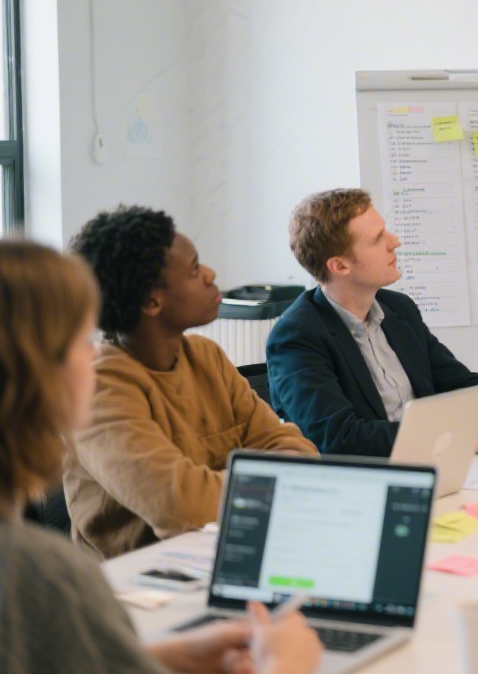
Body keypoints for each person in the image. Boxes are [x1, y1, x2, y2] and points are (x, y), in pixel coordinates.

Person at [0, 240, 322, 674]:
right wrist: (287, 665)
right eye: (80, 339)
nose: (93, 353)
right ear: (39, 380)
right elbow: (181, 504)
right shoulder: (36, 577)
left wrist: (167, 657)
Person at [65, 206, 318, 559]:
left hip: (227, 551)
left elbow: (291, 443)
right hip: (137, 583)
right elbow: (181, 506)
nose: (211, 275)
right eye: (195, 270)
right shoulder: (98, 387)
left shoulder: (206, 355)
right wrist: (276, 478)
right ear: (153, 301)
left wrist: (244, 482)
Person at [267, 188, 478, 456]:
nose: (395, 241)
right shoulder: (297, 335)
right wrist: (450, 433)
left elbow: (463, 385)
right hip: (365, 482)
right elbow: (337, 436)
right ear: (339, 266)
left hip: (434, 465)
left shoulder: (399, 309)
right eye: (376, 240)